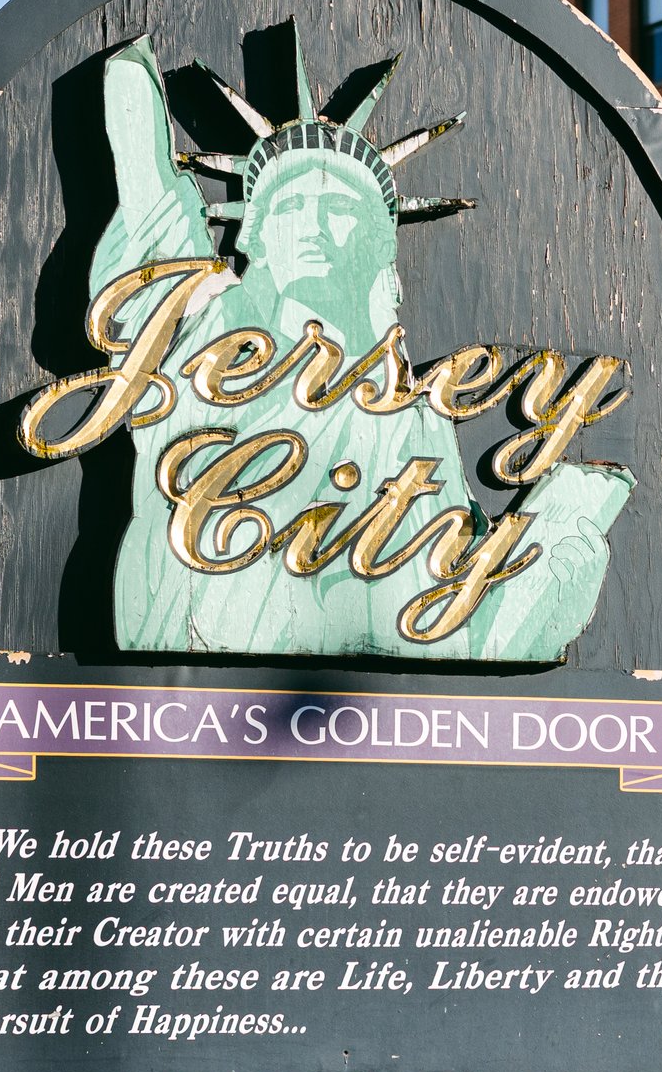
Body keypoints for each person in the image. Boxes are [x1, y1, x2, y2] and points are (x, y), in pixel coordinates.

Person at [80, 35, 630, 661]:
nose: (314, 222)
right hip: (187, 683)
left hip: (387, 730)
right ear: (252, 235)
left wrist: (559, 552)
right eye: (290, 204)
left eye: (340, 206)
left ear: (380, 245)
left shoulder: (418, 422)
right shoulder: (199, 337)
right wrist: (130, 70)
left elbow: (449, 629)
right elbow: (151, 200)